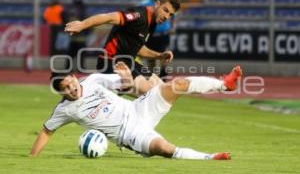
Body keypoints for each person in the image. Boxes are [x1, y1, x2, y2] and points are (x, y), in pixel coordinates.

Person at [30, 62, 242, 160]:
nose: (72, 88)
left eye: (71, 82)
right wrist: (32, 157)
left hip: (139, 109)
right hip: (130, 135)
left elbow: (126, 85)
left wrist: (125, 77)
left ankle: (225, 85)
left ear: (75, 77)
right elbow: (47, 131)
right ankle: (211, 158)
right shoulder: (64, 109)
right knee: (165, 149)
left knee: (178, 84)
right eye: (65, 88)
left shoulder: (94, 80)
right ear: (59, 91)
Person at [64, 0, 181, 95]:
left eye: (170, 14)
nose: (166, 16)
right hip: (111, 62)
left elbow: (138, 48)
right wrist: (82, 25)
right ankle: (93, 86)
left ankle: (101, 89)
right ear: (157, 4)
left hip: (128, 62)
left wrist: (159, 56)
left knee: (161, 87)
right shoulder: (138, 15)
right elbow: (109, 17)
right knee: (150, 92)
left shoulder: (153, 23)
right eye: (165, 10)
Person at [139, 0, 176, 79]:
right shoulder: (144, 4)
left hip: (163, 35)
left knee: (164, 60)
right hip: (150, 36)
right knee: (151, 61)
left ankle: (163, 84)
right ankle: (153, 85)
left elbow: (173, 16)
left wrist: (172, 27)